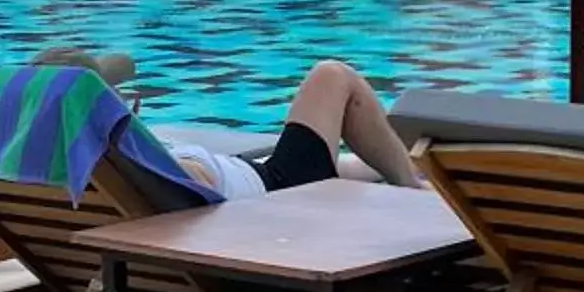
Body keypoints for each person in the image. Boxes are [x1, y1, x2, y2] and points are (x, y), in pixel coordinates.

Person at [33, 48, 424, 201]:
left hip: (257, 174)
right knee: (332, 76)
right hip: (280, 190)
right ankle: (413, 191)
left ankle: (415, 166)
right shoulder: (131, 161)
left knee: (349, 167)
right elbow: (195, 189)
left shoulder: (40, 162)